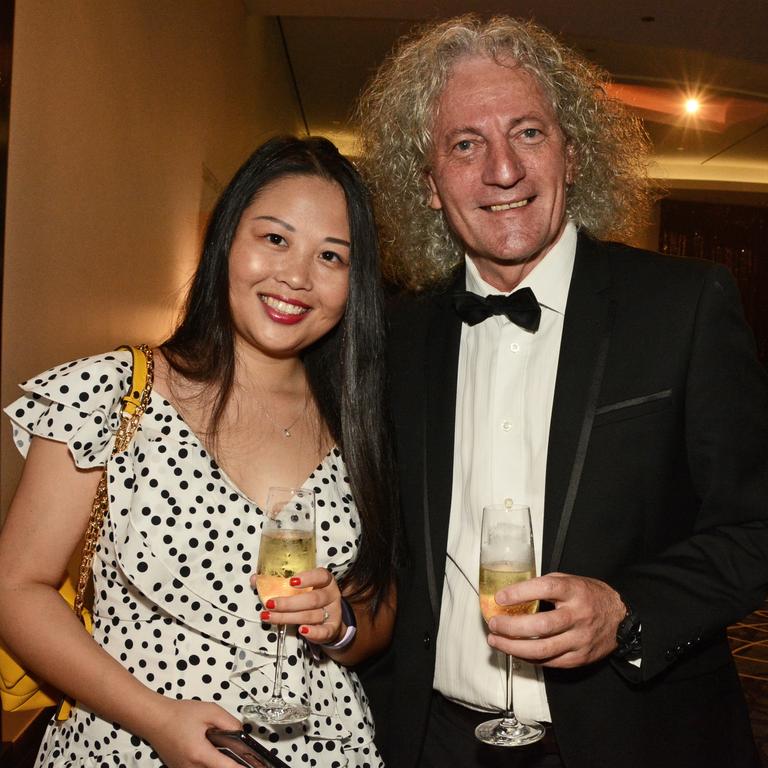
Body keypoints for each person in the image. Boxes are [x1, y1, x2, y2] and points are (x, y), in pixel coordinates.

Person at [355, 14, 768, 768]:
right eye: (465, 144)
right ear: (428, 182)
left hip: (639, 742)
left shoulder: (684, 306)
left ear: (573, 154)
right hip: (434, 742)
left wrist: (626, 610)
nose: (503, 170)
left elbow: (754, 527)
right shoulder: (400, 339)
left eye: (529, 133)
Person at [0, 135, 398, 768]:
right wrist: (156, 720)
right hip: (128, 744)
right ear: (225, 242)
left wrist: (340, 622)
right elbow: (16, 588)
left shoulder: (363, 424)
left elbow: (378, 607)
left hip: (323, 750)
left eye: (331, 256)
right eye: (274, 239)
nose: (296, 276)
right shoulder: (111, 393)